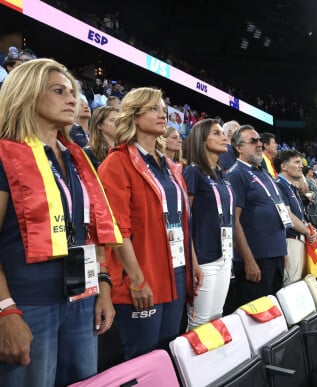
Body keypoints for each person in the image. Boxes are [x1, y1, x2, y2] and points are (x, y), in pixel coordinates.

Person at [0, 58, 122, 386]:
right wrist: (4, 311)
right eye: (59, 91)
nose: (72, 99)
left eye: (73, 91)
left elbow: (91, 231)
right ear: (26, 94)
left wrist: (105, 287)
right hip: (28, 304)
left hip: (82, 299)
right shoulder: (4, 154)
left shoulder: (78, 159)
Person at [98, 87, 202, 360]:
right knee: (142, 359)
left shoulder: (170, 166)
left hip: (176, 271)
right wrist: (136, 279)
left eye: (164, 109)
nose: (162, 114)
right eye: (153, 108)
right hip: (142, 275)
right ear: (134, 114)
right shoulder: (116, 163)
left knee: (168, 353)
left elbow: (181, 220)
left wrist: (193, 261)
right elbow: (118, 230)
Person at [182, 119, 235, 329]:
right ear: (201, 139)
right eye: (216, 133)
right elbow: (184, 220)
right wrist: (193, 261)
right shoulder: (193, 172)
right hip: (203, 259)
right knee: (199, 322)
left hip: (224, 256)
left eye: (224, 133)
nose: (224, 137)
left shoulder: (223, 176)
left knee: (216, 317)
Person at [227, 125, 287, 305]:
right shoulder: (236, 174)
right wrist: (248, 260)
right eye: (253, 141)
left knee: (275, 313)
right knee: (258, 316)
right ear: (239, 148)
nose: (259, 144)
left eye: (260, 140)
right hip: (256, 259)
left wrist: (281, 250)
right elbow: (234, 221)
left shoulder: (265, 173)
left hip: (275, 255)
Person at [274, 150, 317, 285]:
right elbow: (287, 215)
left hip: (299, 239)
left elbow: (300, 215)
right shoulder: (279, 185)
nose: (301, 166)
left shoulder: (290, 187)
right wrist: (307, 231)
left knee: (299, 282)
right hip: (290, 241)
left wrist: (310, 229)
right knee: (292, 284)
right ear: (284, 166)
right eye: (297, 162)